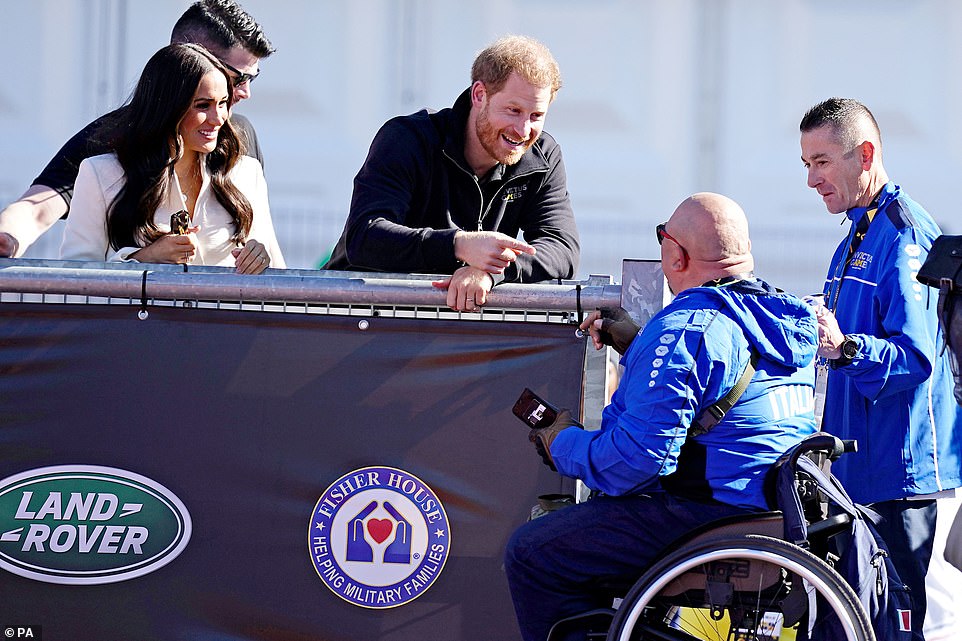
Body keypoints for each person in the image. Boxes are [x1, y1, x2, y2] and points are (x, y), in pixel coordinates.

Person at [504, 192, 819, 641]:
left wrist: (563, 442)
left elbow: (635, 463)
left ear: (677, 254)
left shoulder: (686, 331)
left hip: (705, 514)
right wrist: (640, 348)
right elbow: (723, 392)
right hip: (771, 510)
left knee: (533, 552)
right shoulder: (783, 320)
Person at [799, 97, 962, 641]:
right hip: (863, 476)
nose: (811, 180)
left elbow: (916, 358)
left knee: (921, 628)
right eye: (806, 164)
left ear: (864, 154)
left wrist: (844, 347)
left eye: (822, 162)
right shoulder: (857, 231)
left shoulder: (904, 233)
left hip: (908, 479)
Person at [323, 35, 580, 312]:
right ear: (480, 95)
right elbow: (366, 236)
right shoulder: (406, 139)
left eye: (536, 116)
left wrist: (490, 271)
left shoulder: (543, 155)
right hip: (355, 320)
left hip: (448, 333)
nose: (523, 129)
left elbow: (562, 249)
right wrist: (458, 246)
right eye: (513, 110)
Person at [0, 0, 274, 258]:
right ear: (185, 56)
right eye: (238, 77)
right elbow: (39, 207)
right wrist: (8, 236)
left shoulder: (239, 137)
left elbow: (268, 249)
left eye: (254, 78)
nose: (246, 92)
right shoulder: (112, 137)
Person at [59, 43, 283, 272]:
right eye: (203, 105)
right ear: (167, 108)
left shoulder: (246, 173)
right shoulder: (101, 174)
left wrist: (260, 258)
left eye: (223, 103)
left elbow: (275, 278)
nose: (219, 119)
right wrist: (145, 257)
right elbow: (77, 281)